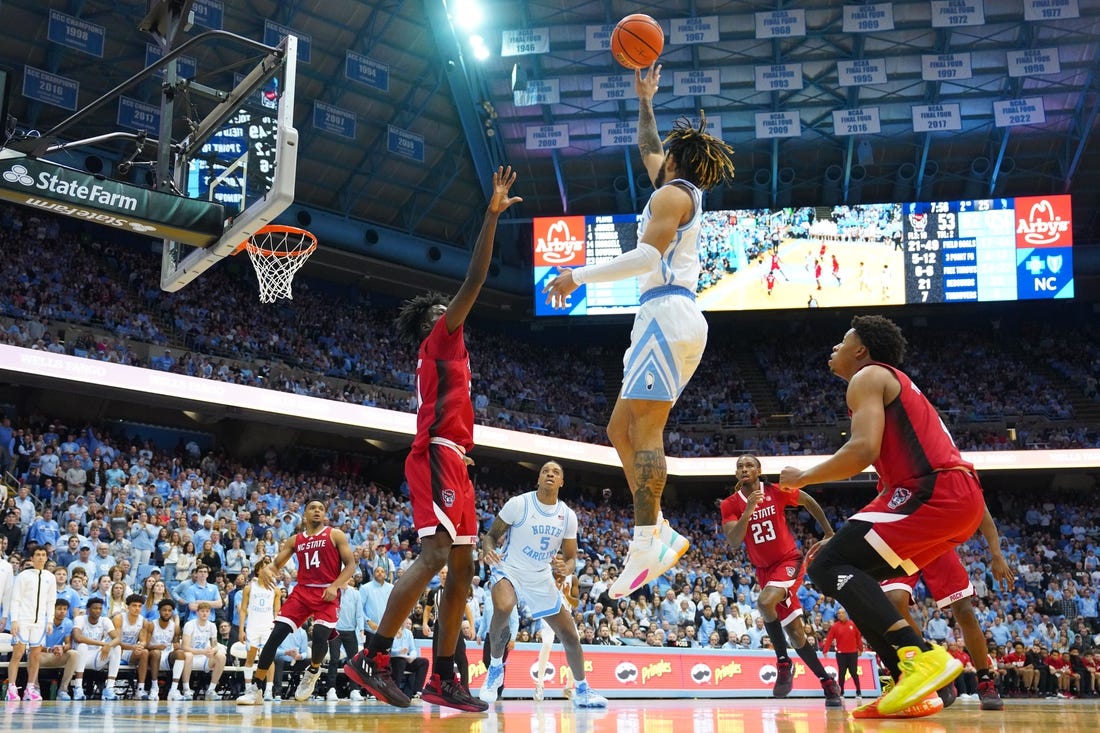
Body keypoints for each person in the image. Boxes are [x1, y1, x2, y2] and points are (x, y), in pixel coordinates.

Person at [543, 64, 735, 599]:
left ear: (675, 161)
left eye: (664, 153)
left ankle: (647, 538)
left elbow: (648, 255)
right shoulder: (674, 188)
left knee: (646, 431)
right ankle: (656, 531)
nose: (656, 155)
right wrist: (646, 100)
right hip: (661, 315)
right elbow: (650, 147)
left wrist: (576, 275)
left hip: (667, 312)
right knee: (618, 430)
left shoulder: (674, 198)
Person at [343, 166, 521, 713]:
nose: (455, 313)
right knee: (438, 554)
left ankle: (444, 674)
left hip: (459, 462)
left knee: (463, 572)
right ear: (433, 324)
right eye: (445, 312)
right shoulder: (441, 340)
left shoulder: (451, 353)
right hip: (439, 455)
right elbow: (475, 280)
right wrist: (490, 218)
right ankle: (371, 657)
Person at [778, 315, 985, 718]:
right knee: (849, 574)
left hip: (935, 491)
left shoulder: (869, 375)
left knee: (825, 564)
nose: (834, 349)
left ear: (862, 349)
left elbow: (861, 452)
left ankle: (920, 655)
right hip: (953, 500)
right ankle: (909, 682)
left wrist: (803, 476)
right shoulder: (895, 384)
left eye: (842, 341)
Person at [477, 461, 607, 708]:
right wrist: (488, 550)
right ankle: (495, 669)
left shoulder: (567, 515)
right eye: (545, 470)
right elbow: (491, 536)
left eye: (556, 472)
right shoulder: (519, 504)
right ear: (538, 479)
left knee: (570, 634)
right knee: (503, 607)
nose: (550, 473)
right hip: (510, 569)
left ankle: (582, 689)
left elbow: (570, 558)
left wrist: (565, 568)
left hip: (541, 577)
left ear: (561, 482)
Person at [719, 454, 841, 707]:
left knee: (764, 602)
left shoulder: (776, 490)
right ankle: (827, 682)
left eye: (749, 465)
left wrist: (829, 532)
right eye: (740, 466)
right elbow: (733, 540)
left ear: (758, 470)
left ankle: (783, 662)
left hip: (789, 562)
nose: (744, 469)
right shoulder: (730, 504)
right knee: (796, 634)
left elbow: (808, 501)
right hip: (764, 571)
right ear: (736, 474)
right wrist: (749, 509)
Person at [881, 509, 1012, 711]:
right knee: (893, 601)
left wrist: (996, 554)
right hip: (903, 541)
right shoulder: (894, 479)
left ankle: (985, 680)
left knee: (965, 611)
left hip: (937, 541)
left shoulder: (957, 477)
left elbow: (981, 509)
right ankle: (932, 665)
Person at [236, 499, 356, 705]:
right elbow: (276, 564)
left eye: (321, 508)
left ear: (325, 514)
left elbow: (351, 564)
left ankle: (313, 670)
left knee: (320, 636)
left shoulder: (335, 534)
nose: (317, 511)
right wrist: (268, 570)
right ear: (305, 514)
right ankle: (255, 688)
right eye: (312, 508)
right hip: (301, 592)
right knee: (274, 637)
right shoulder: (295, 540)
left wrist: (335, 586)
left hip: (327, 591)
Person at [7, 546, 58, 701]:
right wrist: (14, 620)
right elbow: (15, 599)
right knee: (17, 654)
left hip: (40, 622)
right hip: (23, 619)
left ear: (47, 557)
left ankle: (30, 688)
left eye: (43, 555)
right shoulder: (24, 575)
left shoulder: (50, 577)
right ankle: (11, 688)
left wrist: (50, 620)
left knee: (35, 656)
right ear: (32, 557)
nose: (41, 557)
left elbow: (51, 601)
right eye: (38, 555)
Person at [237, 557, 282, 701]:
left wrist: (276, 630)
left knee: (269, 659)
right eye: (264, 567)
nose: (267, 570)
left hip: (268, 627)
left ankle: (268, 690)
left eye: (269, 568)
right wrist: (241, 630)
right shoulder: (249, 588)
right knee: (250, 658)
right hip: (252, 627)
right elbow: (243, 610)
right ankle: (249, 689)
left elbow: (277, 612)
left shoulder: (276, 590)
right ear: (258, 570)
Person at [71, 597, 122, 700]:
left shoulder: (105, 620)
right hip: (78, 658)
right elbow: (77, 637)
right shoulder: (79, 619)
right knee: (82, 646)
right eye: (95, 608)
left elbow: (117, 638)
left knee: (117, 648)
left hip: (95, 657)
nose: (98, 611)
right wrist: (102, 644)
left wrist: (109, 645)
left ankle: (109, 689)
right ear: (88, 609)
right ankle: (78, 687)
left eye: (100, 608)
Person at [181, 601, 227, 699]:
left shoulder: (212, 626)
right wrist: (202, 652)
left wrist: (213, 650)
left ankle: (211, 690)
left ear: (210, 613)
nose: (205, 613)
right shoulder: (190, 625)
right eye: (202, 611)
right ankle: (186, 689)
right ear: (197, 612)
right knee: (188, 655)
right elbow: (184, 647)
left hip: (204, 658)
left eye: (207, 611)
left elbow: (215, 645)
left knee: (221, 656)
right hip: (190, 658)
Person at [147, 599, 190, 701]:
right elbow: (145, 644)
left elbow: (175, 643)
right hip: (152, 656)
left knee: (180, 654)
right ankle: (154, 688)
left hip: (166, 656)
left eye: (169, 611)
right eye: (164, 610)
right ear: (159, 611)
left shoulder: (175, 627)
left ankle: (173, 690)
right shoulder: (151, 624)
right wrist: (156, 646)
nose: (167, 613)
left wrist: (177, 646)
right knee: (156, 653)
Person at [38, 598, 81, 700]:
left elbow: (68, 644)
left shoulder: (68, 623)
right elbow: (36, 646)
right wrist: (50, 650)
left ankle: (63, 689)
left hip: (56, 655)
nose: (62, 611)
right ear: (52, 610)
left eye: (65, 609)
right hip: (41, 655)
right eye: (59, 609)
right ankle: (35, 688)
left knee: (74, 654)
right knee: (32, 654)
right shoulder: (42, 622)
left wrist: (62, 648)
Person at [115, 593, 153, 699]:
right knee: (118, 649)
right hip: (116, 649)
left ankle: (140, 689)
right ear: (128, 606)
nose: (137, 608)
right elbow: (117, 642)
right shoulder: (119, 618)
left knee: (144, 652)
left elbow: (143, 641)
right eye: (134, 605)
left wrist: (140, 646)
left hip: (130, 651)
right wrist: (134, 648)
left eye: (140, 606)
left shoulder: (144, 621)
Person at [822, 608, 864, 702]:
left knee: (854, 672)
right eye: (838, 613)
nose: (840, 615)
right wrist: (825, 650)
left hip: (853, 653)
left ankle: (858, 692)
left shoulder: (853, 624)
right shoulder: (835, 627)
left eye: (842, 613)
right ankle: (841, 693)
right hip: (841, 654)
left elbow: (858, 638)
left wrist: (860, 649)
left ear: (846, 614)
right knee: (842, 673)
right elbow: (829, 638)